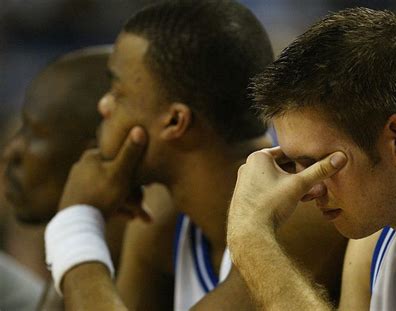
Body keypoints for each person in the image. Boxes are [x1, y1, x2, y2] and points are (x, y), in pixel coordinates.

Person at [44, 1, 347, 310]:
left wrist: (76, 222)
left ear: (176, 122)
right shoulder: (161, 219)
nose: (104, 105)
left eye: (118, 92)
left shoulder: (304, 207)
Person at [225, 7, 396, 310]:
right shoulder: (372, 242)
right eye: (295, 164)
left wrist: (251, 239)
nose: (309, 189)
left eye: (321, 162)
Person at [1, 46, 128, 309]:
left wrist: (76, 220)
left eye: (32, 132)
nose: (10, 152)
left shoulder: (158, 242)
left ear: (98, 151)